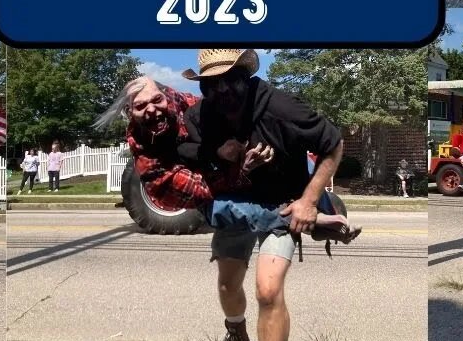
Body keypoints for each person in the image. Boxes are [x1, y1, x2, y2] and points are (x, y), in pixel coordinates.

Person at [186, 49, 345, 341]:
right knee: (227, 287)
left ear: (246, 78)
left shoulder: (280, 107)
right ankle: (239, 338)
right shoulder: (200, 115)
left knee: (268, 290)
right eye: (211, 85)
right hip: (235, 206)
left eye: (231, 81)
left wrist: (309, 201)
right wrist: (221, 153)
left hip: (281, 209)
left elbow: (333, 143)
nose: (222, 91)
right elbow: (185, 149)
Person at [119, 74, 360, 241]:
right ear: (130, 113)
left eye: (156, 100)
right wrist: (237, 165)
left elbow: (331, 141)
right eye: (141, 107)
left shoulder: (186, 103)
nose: (152, 110)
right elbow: (205, 189)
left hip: (259, 172)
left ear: (166, 95)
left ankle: (320, 203)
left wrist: (239, 148)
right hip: (216, 183)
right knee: (217, 208)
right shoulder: (151, 164)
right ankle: (296, 219)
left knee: (299, 165)